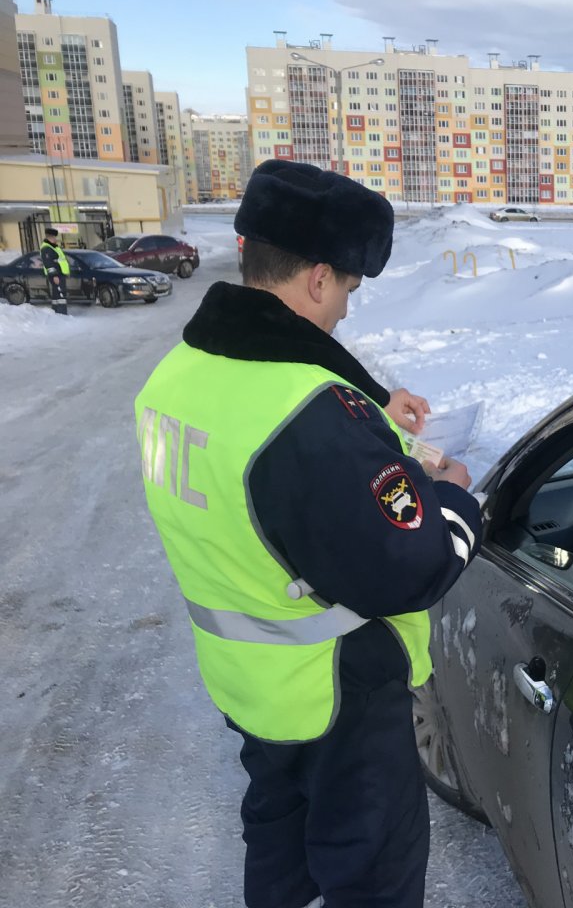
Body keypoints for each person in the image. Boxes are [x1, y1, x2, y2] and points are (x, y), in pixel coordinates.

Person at [134, 159, 482, 908]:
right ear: (319, 278)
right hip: (337, 694)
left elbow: (266, 464)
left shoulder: (179, 375)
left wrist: (373, 412)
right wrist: (454, 499)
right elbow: (408, 564)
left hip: (252, 683)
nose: (347, 311)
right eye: (349, 290)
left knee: (279, 844)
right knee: (373, 874)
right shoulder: (308, 417)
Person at [39, 227, 70, 315]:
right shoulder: (46, 248)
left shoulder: (53, 247)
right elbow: (48, 263)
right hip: (56, 275)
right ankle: (62, 313)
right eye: (54, 237)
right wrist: (54, 276)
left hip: (59, 273)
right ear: (50, 237)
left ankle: (56, 312)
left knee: (57, 293)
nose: (55, 239)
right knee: (60, 294)